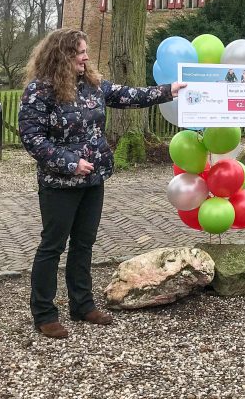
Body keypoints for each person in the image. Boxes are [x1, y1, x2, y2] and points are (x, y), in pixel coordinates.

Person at [18, 29, 186, 339]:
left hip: (94, 180)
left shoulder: (93, 85)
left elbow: (129, 95)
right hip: (59, 184)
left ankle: (82, 305)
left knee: (84, 244)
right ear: (61, 56)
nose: (85, 57)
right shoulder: (39, 92)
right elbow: (32, 139)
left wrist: (169, 90)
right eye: (79, 52)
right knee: (52, 247)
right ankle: (44, 314)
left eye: (85, 51)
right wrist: (69, 163)